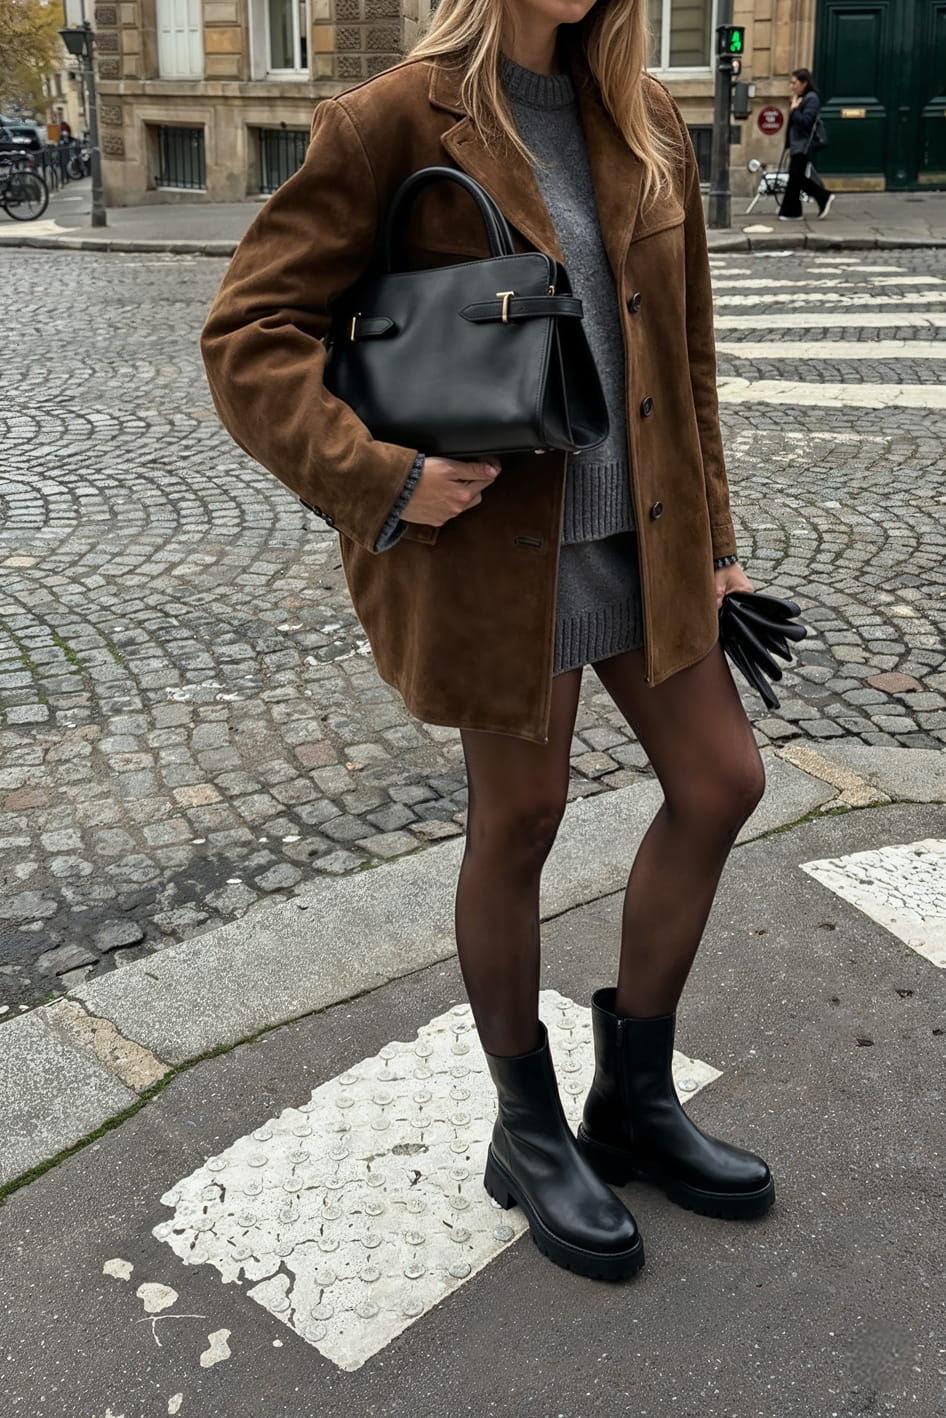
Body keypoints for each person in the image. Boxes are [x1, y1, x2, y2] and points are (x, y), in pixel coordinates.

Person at [201, 0, 775, 1283]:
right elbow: (248, 332)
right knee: (521, 817)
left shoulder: (645, 115)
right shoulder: (391, 119)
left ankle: (631, 1099)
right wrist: (385, 477)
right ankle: (527, 1128)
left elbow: (685, 356)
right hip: (501, 554)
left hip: (647, 532)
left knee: (722, 780)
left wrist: (718, 544)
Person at [779, 67, 834, 221]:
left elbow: (806, 122)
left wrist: (795, 110)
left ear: (804, 83)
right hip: (797, 144)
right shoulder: (802, 97)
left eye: (794, 83)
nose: (792, 86)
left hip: (803, 145)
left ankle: (822, 196)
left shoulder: (811, 99)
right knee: (795, 178)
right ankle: (792, 211)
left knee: (796, 178)